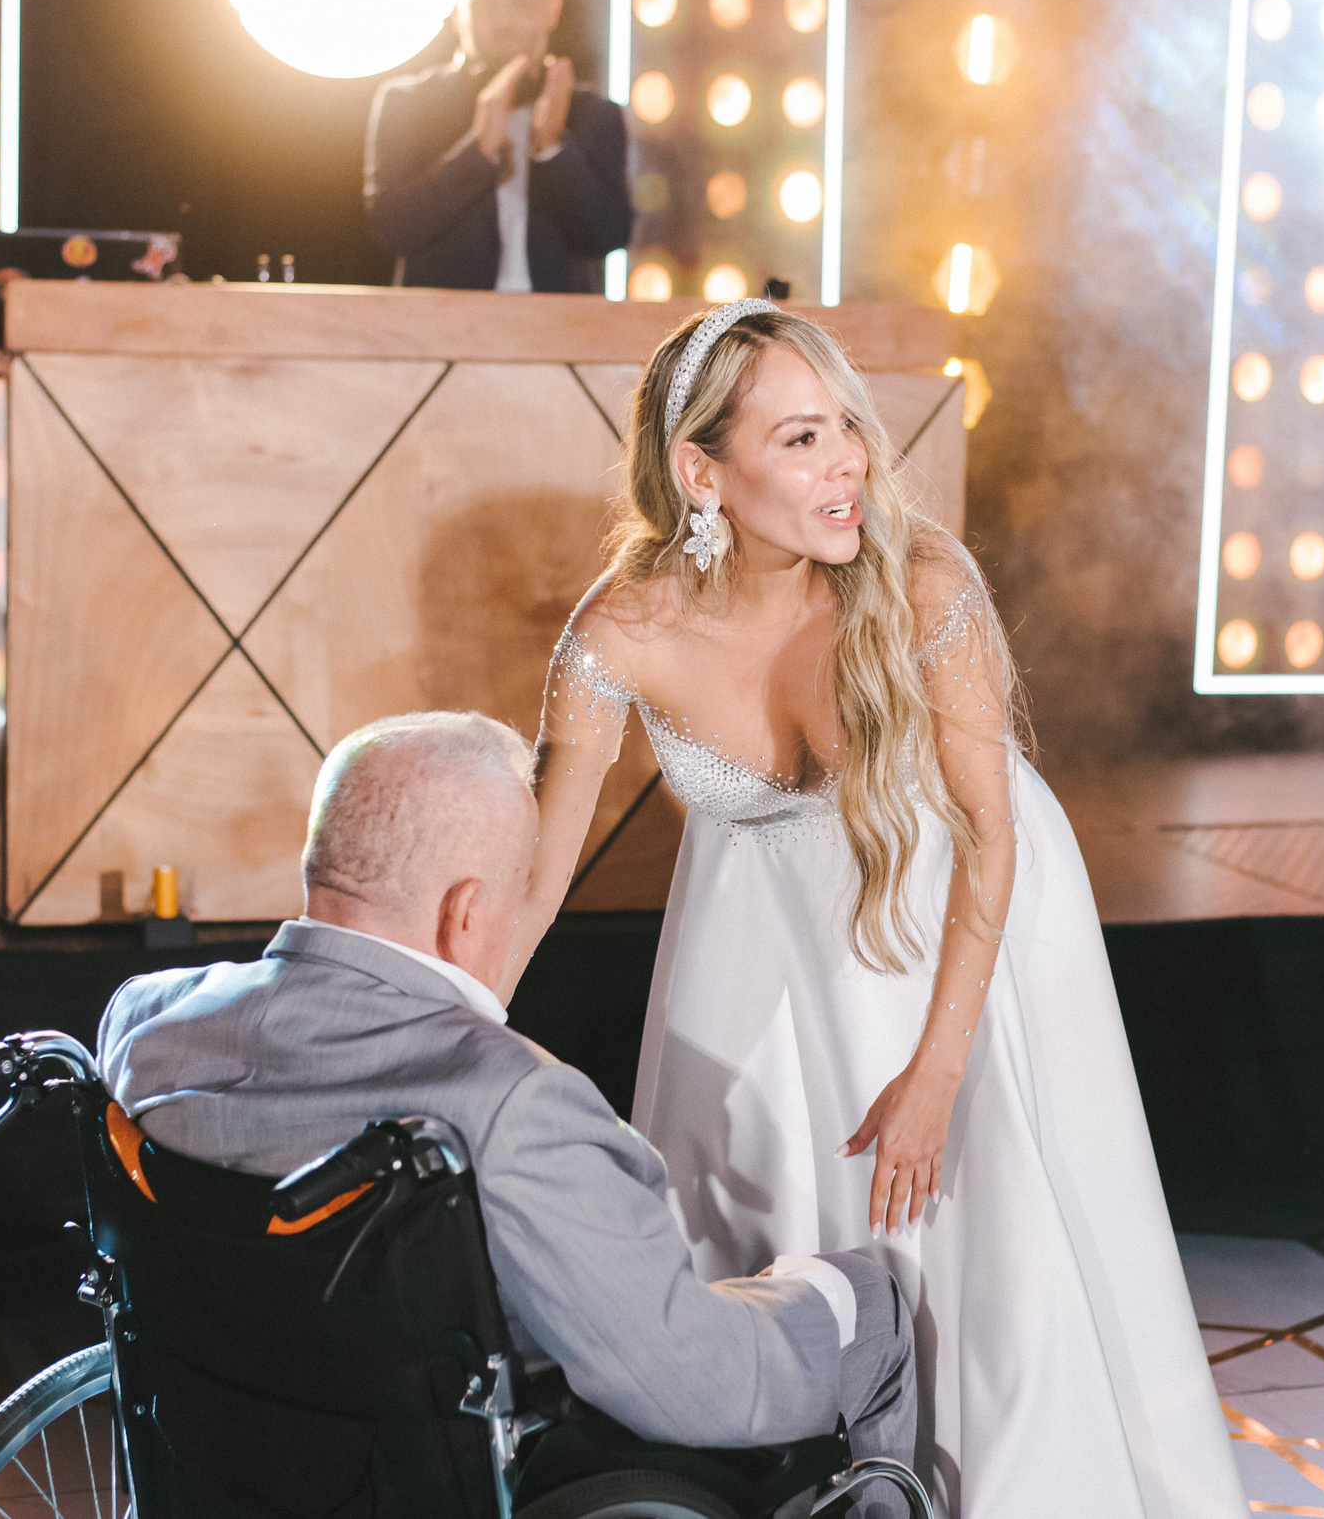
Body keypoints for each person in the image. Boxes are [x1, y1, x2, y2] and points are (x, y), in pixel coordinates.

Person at [509, 301, 1247, 1516]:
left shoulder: (921, 581)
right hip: (754, 940)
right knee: (750, 1216)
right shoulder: (619, 632)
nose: (849, 457)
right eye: (801, 437)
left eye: (846, 422)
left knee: (989, 1244)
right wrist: (440, 1026)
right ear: (703, 470)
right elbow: (535, 882)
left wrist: (934, 1076)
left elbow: (990, 833)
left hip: (956, 917)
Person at [97, 712, 917, 1493]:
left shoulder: (146, 1020)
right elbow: (694, 1385)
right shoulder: (510, 1101)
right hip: (429, 1472)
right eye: (518, 885)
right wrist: (827, 1288)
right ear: (465, 912)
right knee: (865, 1312)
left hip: (229, 1455)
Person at [364, 0, 630, 293]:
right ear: (459, 11)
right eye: (486, 2)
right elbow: (391, 228)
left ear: (552, 9)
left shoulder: (592, 114)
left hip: (558, 338)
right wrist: (478, 152)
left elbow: (610, 234)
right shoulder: (408, 103)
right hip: (439, 336)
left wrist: (553, 147)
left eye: (520, 3)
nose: (503, 20)